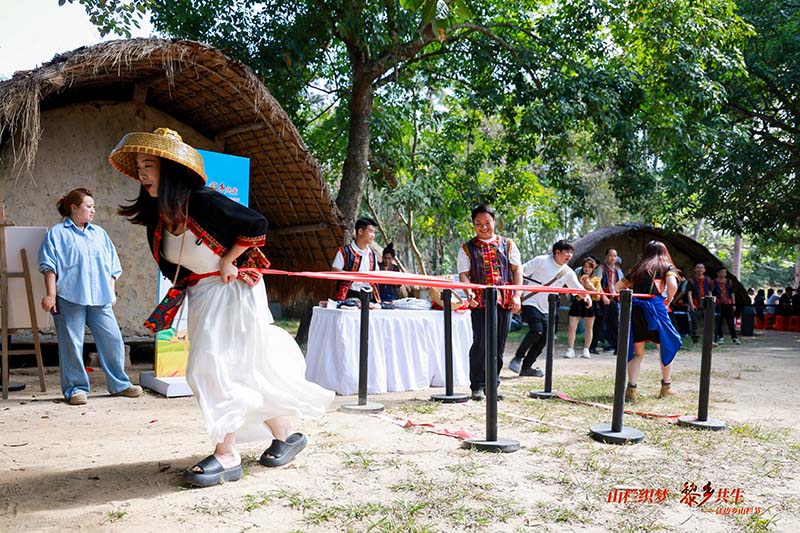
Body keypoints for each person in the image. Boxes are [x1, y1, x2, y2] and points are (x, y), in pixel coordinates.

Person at [110, 128, 333, 487]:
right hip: (201, 295)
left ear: (169, 169)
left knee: (209, 368)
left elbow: (256, 224)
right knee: (239, 370)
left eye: (149, 165)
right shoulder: (157, 216)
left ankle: (227, 454)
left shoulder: (202, 200)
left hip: (231, 292)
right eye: (139, 166)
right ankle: (285, 433)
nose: (142, 173)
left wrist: (230, 258)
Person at [37, 188, 142, 406]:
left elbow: (113, 265)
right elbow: (49, 266)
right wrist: (51, 295)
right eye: (89, 206)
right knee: (71, 344)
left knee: (113, 340)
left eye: (94, 206)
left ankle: (120, 384)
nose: (93, 210)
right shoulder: (57, 233)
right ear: (74, 208)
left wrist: (111, 290)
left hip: (100, 298)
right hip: (69, 297)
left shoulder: (99, 234)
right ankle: (75, 388)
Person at [457, 204, 522, 401]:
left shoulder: (508, 244)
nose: (483, 227)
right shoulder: (466, 248)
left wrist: (517, 295)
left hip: (504, 302)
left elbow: (517, 270)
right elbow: (464, 275)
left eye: (487, 223)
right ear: (473, 225)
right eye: (478, 224)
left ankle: (493, 385)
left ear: (494, 222)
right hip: (480, 303)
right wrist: (469, 293)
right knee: (480, 344)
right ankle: (477, 386)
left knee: (499, 345)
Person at [508, 240, 590, 376]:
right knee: (537, 330)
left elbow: (576, 287)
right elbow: (520, 271)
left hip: (547, 308)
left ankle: (526, 368)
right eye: (567, 252)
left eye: (571, 252)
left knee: (545, 338)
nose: (569, 255)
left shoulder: (568, 272)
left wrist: (586, 295)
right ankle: (517, 358)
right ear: (557, 252)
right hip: (531, 302)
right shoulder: (541, 260)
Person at [616, 241, 681, 402]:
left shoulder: (637, 269)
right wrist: (670, 299)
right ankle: (666, 388)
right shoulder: (667, 267)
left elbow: (617, 287)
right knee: (665, 347)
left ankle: (631, 389)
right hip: (656, 310)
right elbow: (672, 285)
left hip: (637, 311)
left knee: (637, 353)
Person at [331, 217, 381, 302]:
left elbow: (376, 273)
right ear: (360, 231)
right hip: (350, 293)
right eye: (370, 231)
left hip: (369, 295)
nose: (373, 235)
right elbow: (335, 271)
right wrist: (354, 276)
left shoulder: (372, 254)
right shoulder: (344, 252)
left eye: (374, 232)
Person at [564, 256, 602, 359]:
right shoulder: (576, 278)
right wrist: (580, 284)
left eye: (589, 267)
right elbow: (572, 290)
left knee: (589, 328)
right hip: (577, 302)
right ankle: (570, 349)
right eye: (585, 267)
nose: (586, 269)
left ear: (593, 269)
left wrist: (590, 286)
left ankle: (586, 349)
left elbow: (598, 296)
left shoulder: (596, 280)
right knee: (572, 327)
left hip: (591, 304)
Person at [590, 248, 624, 354]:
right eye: (610, 255)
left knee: (614, 323)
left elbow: (621, 283)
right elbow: (597, 283)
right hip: (603, 298)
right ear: (606, 257)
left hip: (614, 299)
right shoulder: (601, 268)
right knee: (599, 323)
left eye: (615, 256)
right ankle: (592, 345)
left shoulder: (618, 270)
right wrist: (603, 296)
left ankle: (616, 346)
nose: (613, 258)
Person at [686, 263, 715, 344]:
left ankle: (710, 339)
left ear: (704, 270)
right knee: (694, 322)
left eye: (701, 268)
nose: (700, 269)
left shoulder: (708, 280)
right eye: (698, 268)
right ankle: (695, 339)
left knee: (709, 322)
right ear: (695, 270)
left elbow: (710, 292)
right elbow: (689, 293)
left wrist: (711, 303)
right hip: (695, 304)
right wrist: (692, 305)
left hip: (706, 304)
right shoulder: (691, 280)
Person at [713, 268, 741, 345]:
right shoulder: (714, 282)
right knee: (719, 321)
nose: (723, 274)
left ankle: (734, 337)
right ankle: (720, 337)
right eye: (722, 272)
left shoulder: (729, 282)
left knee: (731, 321)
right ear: (718, 273)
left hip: (728, 303)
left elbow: (732, 293)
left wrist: (733, 304)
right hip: (718, 304)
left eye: (725, 272)